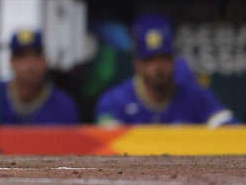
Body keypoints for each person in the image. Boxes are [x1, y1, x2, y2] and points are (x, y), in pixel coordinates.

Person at [96, 12, 235, 126]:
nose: (158, 66)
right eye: (150, 59)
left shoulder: (193, 96)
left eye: (164, 58)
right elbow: (107, 144)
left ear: (175, 60)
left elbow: (228, 126)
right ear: (138, 65)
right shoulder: (115, 101)